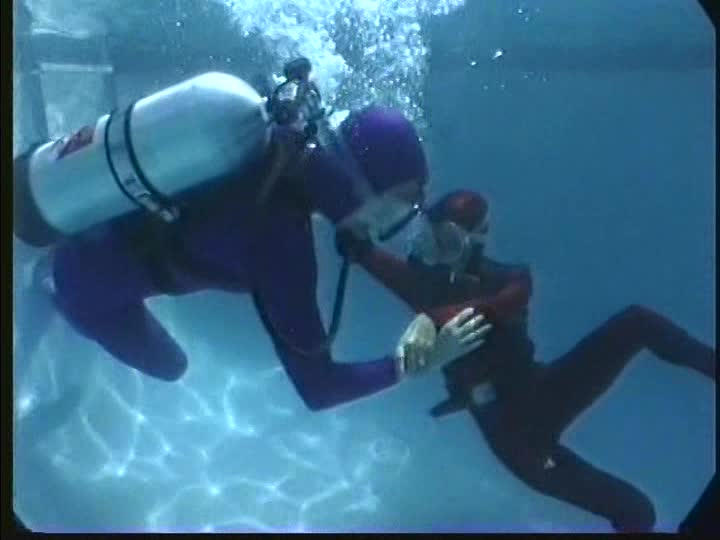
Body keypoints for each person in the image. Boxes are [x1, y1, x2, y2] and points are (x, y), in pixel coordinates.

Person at [34, 106, 489, 411]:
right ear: (355, 180)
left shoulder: (270, 135)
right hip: (82, 286)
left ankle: (52, 248)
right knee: (171, 366)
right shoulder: (282, 244)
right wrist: (409, 366)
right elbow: (319, 389)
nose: (387, 225)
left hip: (87, 215)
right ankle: (47, 284)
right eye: (392, 206)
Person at [338, 189, 716, 532]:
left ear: (471, 242)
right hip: (517, 438)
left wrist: (431, 317)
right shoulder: (425, 283)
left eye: (445, 240)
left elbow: (505, 304)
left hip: (540, 396)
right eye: (430, 235)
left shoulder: (506, 279)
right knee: (637, 512)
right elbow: (362, 251)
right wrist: (355, 228)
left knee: (637, 322)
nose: (433, 249)